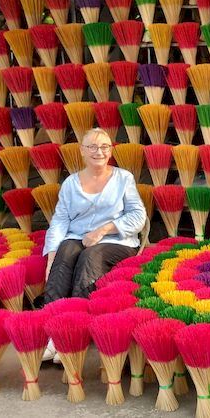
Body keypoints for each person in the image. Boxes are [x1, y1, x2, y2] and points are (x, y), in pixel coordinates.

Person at [41, 127, 146, 360]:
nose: (99, 151)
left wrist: (104, 229)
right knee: (65, 254)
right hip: (78, 237)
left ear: (110, 151)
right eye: (93, 147)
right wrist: (51, 254)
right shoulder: (70, 183)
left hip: (117, 240)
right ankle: (54, 332)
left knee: (91, 257)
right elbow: (59, 220)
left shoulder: (123, 178)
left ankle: (75, 331)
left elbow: (138, 216)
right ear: (82, 151)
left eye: (105, 147)